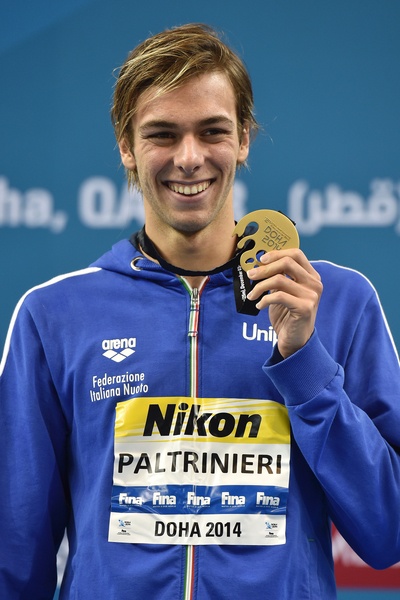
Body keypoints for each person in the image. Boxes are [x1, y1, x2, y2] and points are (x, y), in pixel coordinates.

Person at [0, 23, 399, 600]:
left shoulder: (335, 303)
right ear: (126, 146)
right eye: (162, 133)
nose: (189, 158)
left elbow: (387, 535)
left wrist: (305, 363)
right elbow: (16, 559)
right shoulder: (52, 316)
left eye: (212, 131)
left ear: (243, 139)